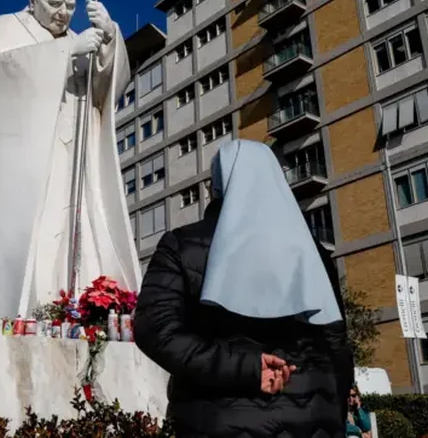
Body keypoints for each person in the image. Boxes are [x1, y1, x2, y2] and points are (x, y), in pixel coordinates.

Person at [0, 0, 141, 317]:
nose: (63, 13)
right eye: (54, 4)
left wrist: (110, 39)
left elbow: (105, 91)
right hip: (27, 161)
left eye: (70, 5)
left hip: (71, 158)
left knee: (71, 231)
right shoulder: (4, 28)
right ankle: (30, 307)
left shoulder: (82, 38)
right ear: (33, 1)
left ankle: (75, 304)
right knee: (35, 237)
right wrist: (64, 53)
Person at [134, 140, 354, 438]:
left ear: (218, 185)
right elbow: (336, 345)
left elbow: (156, 330)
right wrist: (334, 413)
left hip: (215, 419)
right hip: (315, 420)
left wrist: (245, 368)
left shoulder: (183, 245)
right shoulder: (313, 253)